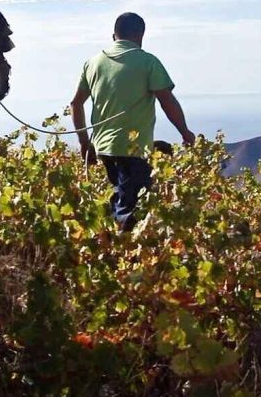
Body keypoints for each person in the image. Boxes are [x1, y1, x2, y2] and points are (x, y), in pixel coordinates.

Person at [70, 12, 195, 232]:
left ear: (113, 36)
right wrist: (185, 132)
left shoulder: (93, 63)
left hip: (104, 148)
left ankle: (110, 246)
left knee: (121, 199)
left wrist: (84, 143)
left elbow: (76, 104)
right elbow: (167, 101)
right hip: (134, 150)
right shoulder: (148, 62)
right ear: (141, 35)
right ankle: (124, 256)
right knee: (132, 213)